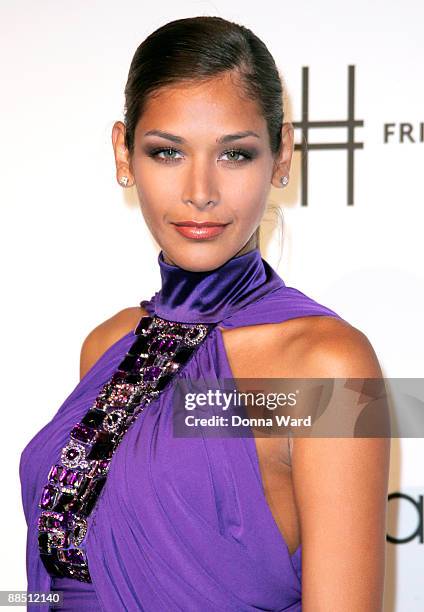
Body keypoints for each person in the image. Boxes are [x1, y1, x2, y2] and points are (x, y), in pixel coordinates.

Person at [19, 15, 390, 612]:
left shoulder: (329, 366)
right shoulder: (105, 345)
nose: (200, 190)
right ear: (123, 152)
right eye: (167, 151)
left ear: (281, 156)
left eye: (234, 155)